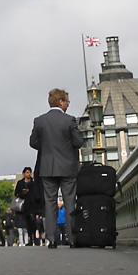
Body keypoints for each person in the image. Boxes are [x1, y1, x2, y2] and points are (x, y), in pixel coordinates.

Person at [29, 87, 84, 250]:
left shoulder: (39, 121)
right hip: (68, 167)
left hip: (47, 167)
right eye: (67, 101)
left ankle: (51, 240)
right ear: (61, 102)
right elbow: (78, 142)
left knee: (50, 203)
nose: (68, 104)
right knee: (69, 202)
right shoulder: (69, 120)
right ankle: (72, 239)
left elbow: (33, 142)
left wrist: (45, 148)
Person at [14, 167, 38, 245]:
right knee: (27, 223)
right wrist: (22, 193)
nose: (28, 174)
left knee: (33, 222)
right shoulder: (20, 183)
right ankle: (31, 239)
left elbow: (36, 193)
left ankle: (34, 238)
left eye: (29, 172)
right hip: (24, 205)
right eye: (27, 172)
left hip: (33, 205)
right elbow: (16, 193)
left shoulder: (33, 182)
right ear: (24, 173)